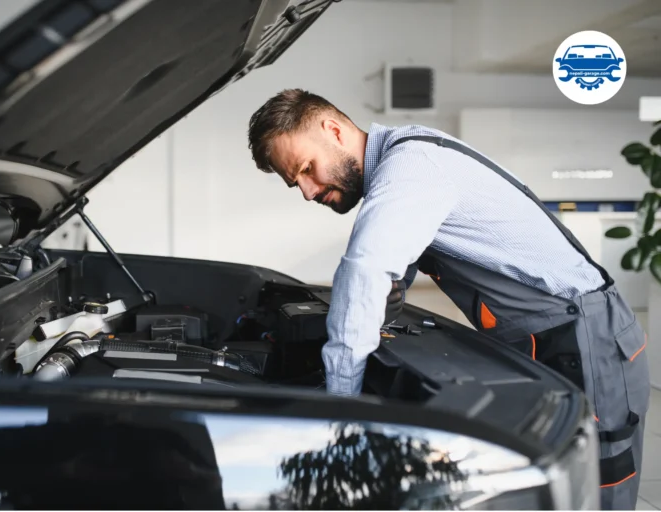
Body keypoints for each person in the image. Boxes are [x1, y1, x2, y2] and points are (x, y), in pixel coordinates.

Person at [246, 88, 650, 510]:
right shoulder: (403, 164)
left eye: (307, 169)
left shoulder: (412, 167)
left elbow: (365, 270)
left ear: (333, 130)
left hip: (586, 337)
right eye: (296, 183)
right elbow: (391, 276)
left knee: (595, 485)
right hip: (552, 334)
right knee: (551, 484)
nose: (307, 191)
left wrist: (342, 407)